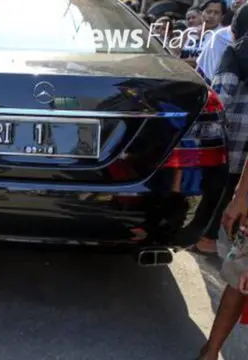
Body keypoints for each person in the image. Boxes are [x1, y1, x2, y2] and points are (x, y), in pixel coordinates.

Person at [197, 5, 248, 359]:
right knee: (242, 272)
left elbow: (222, 99)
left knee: (241, 275)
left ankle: (210, 351)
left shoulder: (236, 52)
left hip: (231, 150)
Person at [196, 0, 232, 81]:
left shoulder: (222, 37)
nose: (211, 16)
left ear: (222, 17)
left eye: (216, 13)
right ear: (201, 13)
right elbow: (172, 54)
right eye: (209, 12)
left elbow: (207, 62)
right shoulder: (189, 33)